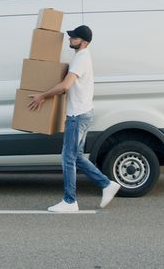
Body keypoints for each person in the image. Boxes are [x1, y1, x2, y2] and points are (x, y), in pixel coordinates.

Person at [27, 25, 120, 212]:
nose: (70, 39)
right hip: (84, 113)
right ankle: (106, 184)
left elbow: (65, 86)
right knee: (76, 156)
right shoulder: (82, 57)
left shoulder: (81, 58)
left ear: (83, 42)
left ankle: (70, 201)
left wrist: (42, 96)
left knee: (67, 158)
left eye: (74, 38)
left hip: (77, 116)